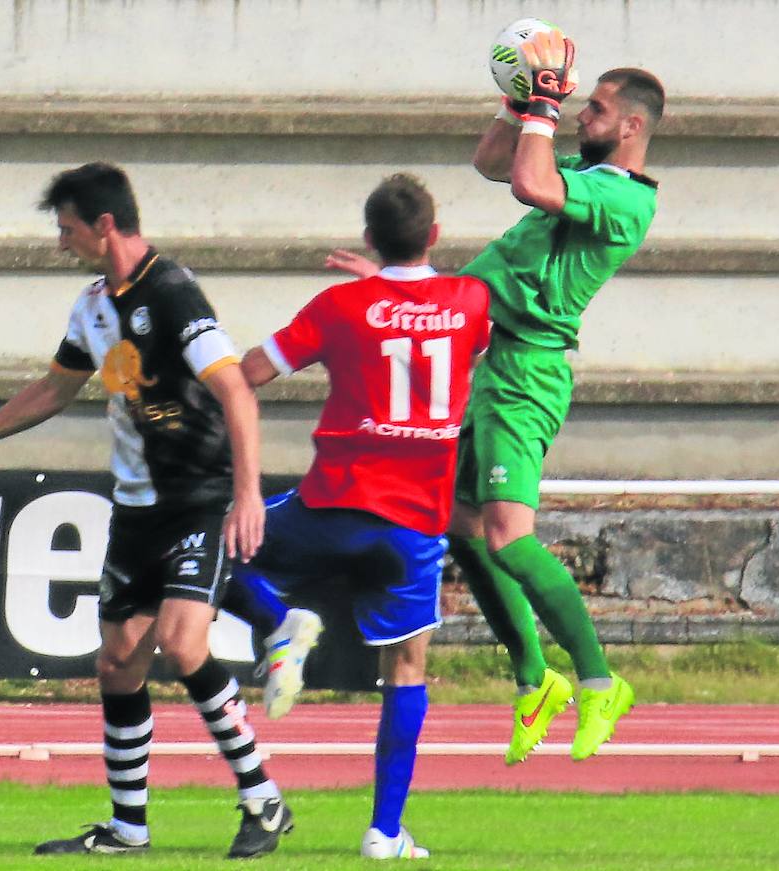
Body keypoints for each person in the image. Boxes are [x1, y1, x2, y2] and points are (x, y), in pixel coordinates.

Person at [0, 162, 292, 859]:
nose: (62, 243)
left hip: (198, 498)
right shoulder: (93, 304)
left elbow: (236, 389)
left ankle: (263, 799)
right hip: (136, 508)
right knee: (116, 661)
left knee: (182, 642)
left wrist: (246, 493)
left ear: (104, 224)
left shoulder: (171, 292)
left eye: (68, 228)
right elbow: (54, 390)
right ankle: (127, 828)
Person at [326, 35, 665, 765]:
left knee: (509, 533)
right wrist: (520, 102)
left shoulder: (622, 196)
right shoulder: (583, 166)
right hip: (489, 362)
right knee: (458, 520)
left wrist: (542, 106)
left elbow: (529, 187)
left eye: (596, 109)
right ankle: (533, 675)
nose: (581, 115)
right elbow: (492, 163)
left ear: (633, 126)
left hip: (527, 373)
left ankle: (600, 678)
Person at [232, 173, 490, 859]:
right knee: (406, 668)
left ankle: (279, 624)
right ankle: (384, 829)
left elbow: (251, 371)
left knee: (218, 549)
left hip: (330, 506)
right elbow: (453, 325)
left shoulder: (341, 305)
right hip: (414, 526)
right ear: (434, 235)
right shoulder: (470, 301)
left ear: (369, 237)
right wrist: (389, 282)